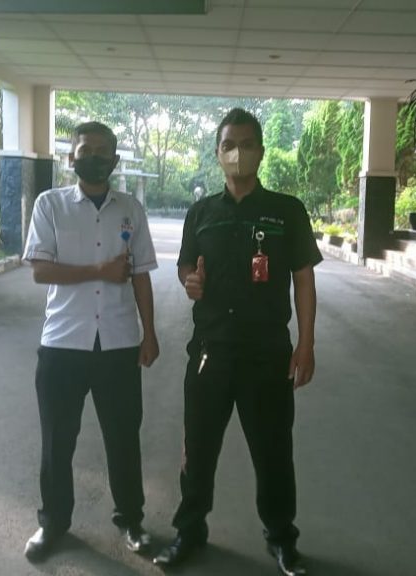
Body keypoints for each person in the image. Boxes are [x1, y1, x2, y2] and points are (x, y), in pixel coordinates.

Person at [153, 108, 321, 576]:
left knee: (273, 452)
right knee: (198, 449)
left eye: (247, 145)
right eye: (229, 145)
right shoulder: (201, 213)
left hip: (267, 354)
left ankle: (282, 538)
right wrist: (190, 281)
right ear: (217, 153)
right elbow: (185, 266)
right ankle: (189, 531)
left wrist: (306, 344)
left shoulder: (287, 211)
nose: (238, 153)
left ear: (261, 152)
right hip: (211, 352)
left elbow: (304, 280)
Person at [22, 121, 159, 562]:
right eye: (86, 150)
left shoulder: (131, 210)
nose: (94, 157)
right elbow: (40, 270)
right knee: (57, 441)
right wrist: (99, 271)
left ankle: (131, 520)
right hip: (63, 342)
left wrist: (150, 332)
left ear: (114, 160)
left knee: (123, 438)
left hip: (118, 342)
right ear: (72, 157)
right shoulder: (50, 205)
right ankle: (53, 523)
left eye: (103, 151)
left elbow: (141, 274)